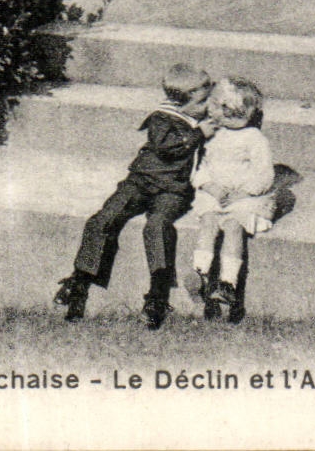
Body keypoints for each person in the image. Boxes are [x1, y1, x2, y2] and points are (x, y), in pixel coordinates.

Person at [54, 64, 215, 330]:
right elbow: (167, 148)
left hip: (173, 189)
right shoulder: (162, 118)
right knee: (102, 220)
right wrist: (198, 134)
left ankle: (157, 297)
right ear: (182, 99)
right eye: (202, 99)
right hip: (140, 182)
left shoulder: (202, 117)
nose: (208, 104)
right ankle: (79, 284)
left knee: (157, 226)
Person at [183, 77, 273, 323]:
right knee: (208, 222)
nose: (208, 110)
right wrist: (209, 185)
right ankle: (200, 273)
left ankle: (227, 284)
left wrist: (244, 192)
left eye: (213, 105)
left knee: (234, 227)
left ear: (228, 110)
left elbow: (264, 174)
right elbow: (200, 166)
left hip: (242, 196)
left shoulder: (254, 138)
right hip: (215, 194)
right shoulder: (212, 134)